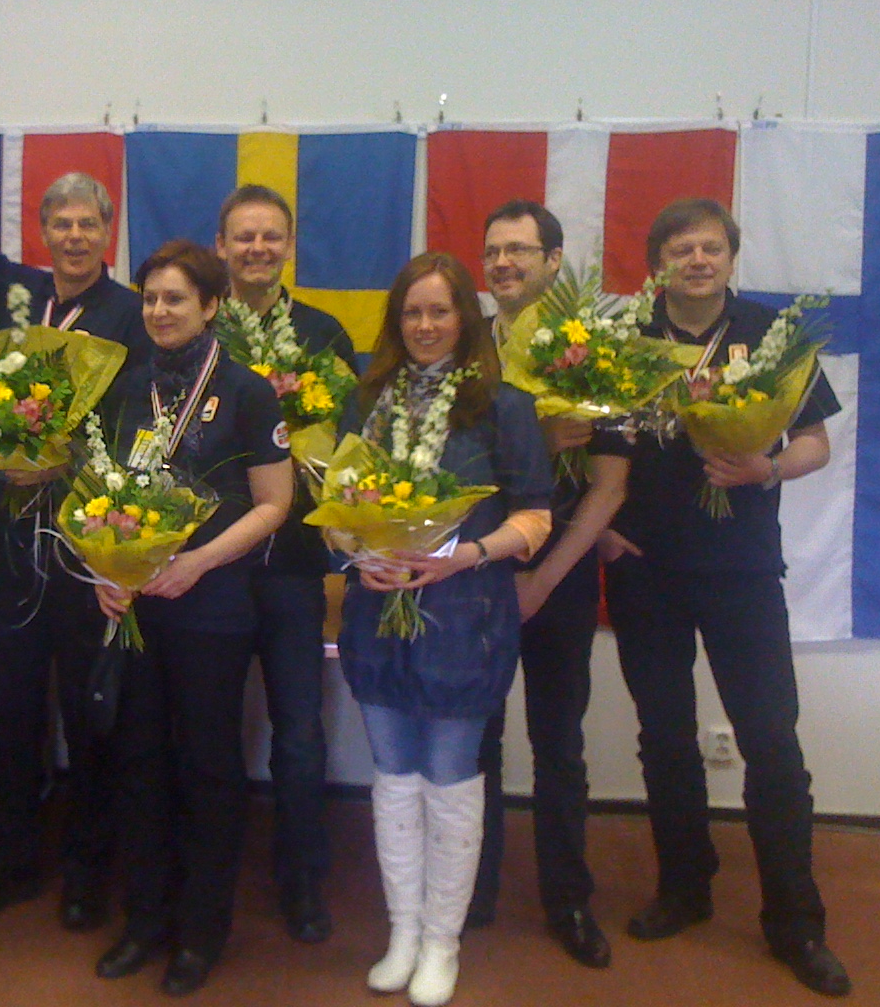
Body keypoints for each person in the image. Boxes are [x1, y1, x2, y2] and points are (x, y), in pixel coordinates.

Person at [600, 198, 852, 998]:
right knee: (664, 736)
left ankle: (796, 920)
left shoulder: (770, 335)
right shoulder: (622, 337)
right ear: (659, 263)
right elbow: (582, 441)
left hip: (741, 566)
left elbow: (815, 441)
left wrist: (764, 468)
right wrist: (597, 529)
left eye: (710, 248)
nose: (698, 260)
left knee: (771, 739)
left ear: (731, 257)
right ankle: (685, 886)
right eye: (681, 249)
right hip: (644, 565)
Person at [338, 252, 552, 1007]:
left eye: (439, 311)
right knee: (394, 772)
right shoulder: (366, 400)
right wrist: (355, 552)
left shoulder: (504, 406)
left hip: (466, 617)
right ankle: (402, 932)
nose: (425, 325)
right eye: (412, 312)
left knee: (451, 771)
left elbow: (535, 516)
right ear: (396, 321)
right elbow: (336, 507)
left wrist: (470, 554)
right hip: (377, 613)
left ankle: (441, 942)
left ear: (465, 318)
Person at [0, 159, 150, 929]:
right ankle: (5, 858)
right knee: (5, 709)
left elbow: (140, 425)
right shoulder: (16, 304)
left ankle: (88, 870)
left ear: (107, 234)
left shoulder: (130, 314)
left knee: (88, 713)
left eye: (87, 224)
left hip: (89, 545)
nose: (73, 236)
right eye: (60, 224)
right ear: (41, 232)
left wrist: (65, 462)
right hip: (10, 540)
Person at [92, 240, 293, 996]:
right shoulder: (126, 387)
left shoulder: (247, 391)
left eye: (175, 298)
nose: (159, 311)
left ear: (211, 306)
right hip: (138, 608)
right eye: (150, 298)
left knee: (208, 767)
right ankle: (145, 921)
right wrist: (104, 570)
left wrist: (199, 562)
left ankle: (202, 933)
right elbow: (101, 494)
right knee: (138, 763)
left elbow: (275, 504)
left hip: (213, 607)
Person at [466, 200, 626, 968]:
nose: (503, 263)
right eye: (493, 251)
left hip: (557, 575)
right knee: (477, 738)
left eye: (520, 250)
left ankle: (568, 900)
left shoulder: (588, 349)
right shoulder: (467, 348)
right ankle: (473, 888)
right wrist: (532, 436)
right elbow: (445, 461)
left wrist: (542, 579)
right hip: (478, 569)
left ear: (554, 261)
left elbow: (610, 486)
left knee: (558, 743)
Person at [212, 183, 356, 944]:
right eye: (244, 237)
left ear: (290, 246)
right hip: (210, 565)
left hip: (295, 565)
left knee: (298, 732)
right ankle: (208, 873)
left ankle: (302, 879)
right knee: (207, 730)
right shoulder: (198, 330)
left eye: (271, 236)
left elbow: (350, 446)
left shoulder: (324, 335)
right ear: (221, 247)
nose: (258, 249)